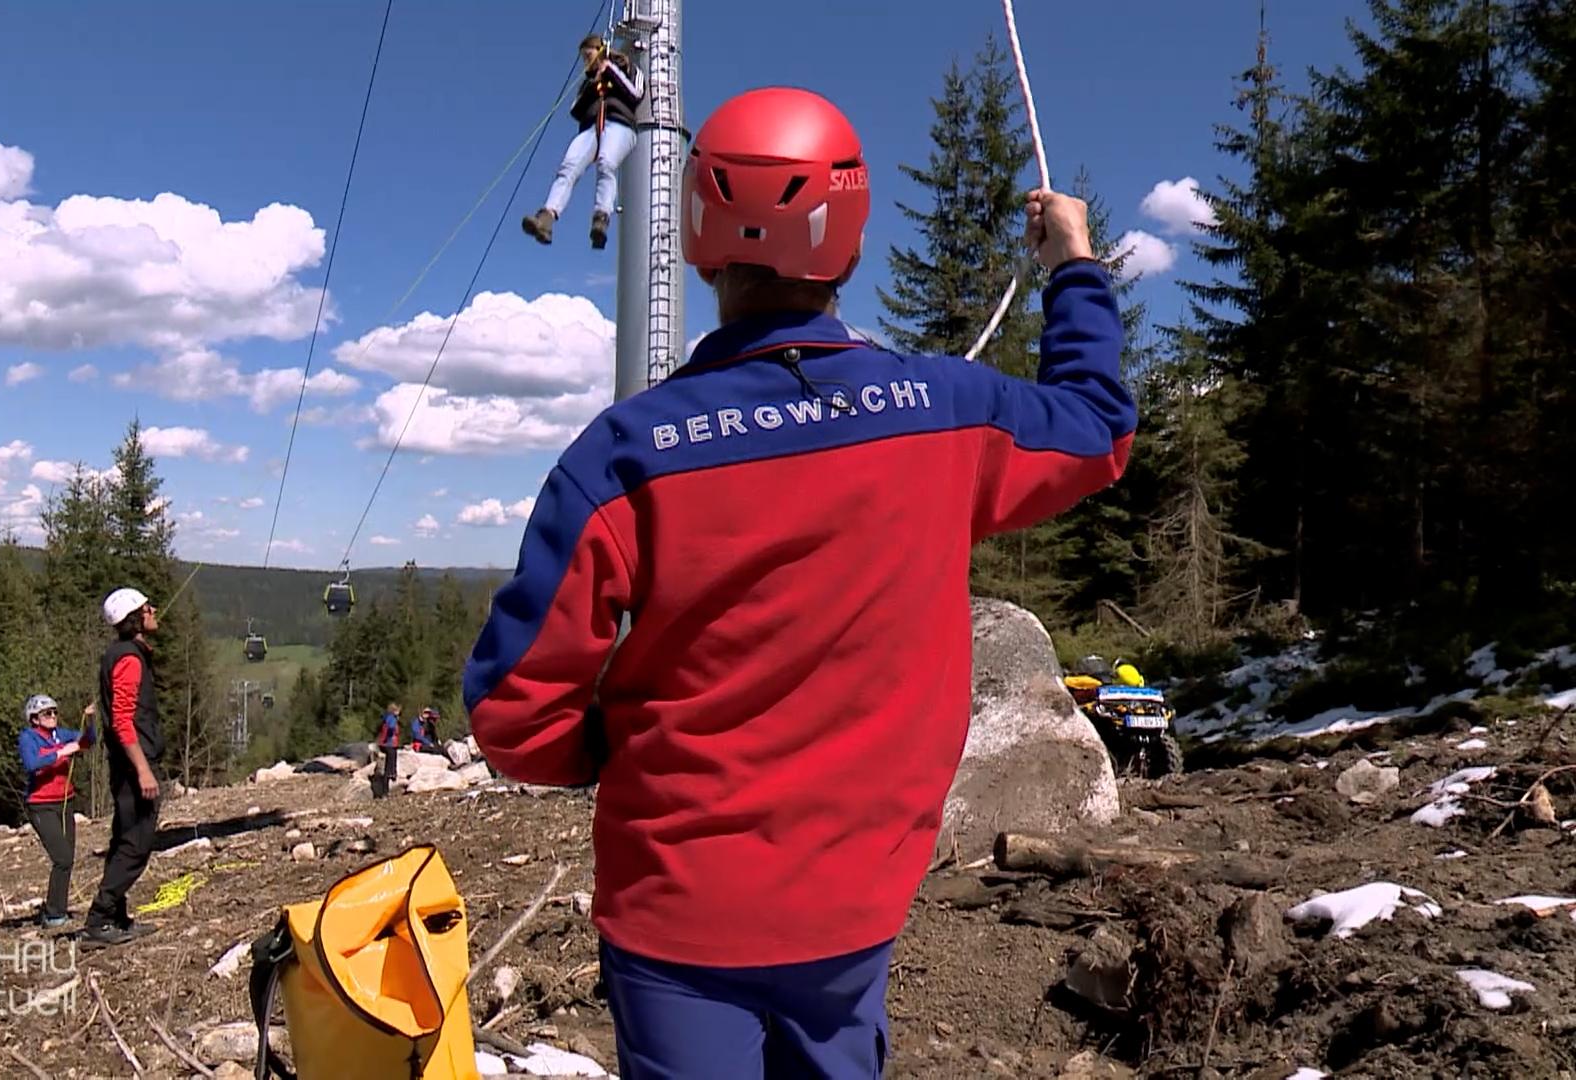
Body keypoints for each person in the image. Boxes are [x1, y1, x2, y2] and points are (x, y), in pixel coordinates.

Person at [462, 86, 1135, 1079]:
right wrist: (1071, 264)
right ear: (850, 242)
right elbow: (1095, 426)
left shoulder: (622, 455)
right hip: (856, 900)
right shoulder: (942, 412)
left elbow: (515, 711)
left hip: (674, 908)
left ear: (699, 235)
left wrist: (603, 745)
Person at [82, 587, 164, 948]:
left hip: (127, 763)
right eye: (148, 607)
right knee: (137, 843)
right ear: (136, 617)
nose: (154, 610)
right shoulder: (129, 659)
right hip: (133, 766)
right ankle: (98, 920)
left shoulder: (126, 654)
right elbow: (122, 719)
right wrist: (143, 770)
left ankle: (116, 917)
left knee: (123, 839)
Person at [522, 34, 643, 250]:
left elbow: (636, 93)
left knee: (606, 163)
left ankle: (601, 218)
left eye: (589, 54)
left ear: (600, 49)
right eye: (584, 57)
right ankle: (546, 218)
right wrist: (592, 84)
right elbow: (575, 110)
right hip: (590, 127)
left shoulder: (626, 67)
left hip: (620, 124)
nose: (586, 60)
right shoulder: (588, 81)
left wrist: (611, 71)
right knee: (568, 167)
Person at [16, 694, 96, 929]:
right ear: (34, 719)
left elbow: (87, 741)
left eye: (54, 712)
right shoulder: (28, 738)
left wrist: (90, 722)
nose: (52, 717)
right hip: (40, 804)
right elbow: (31, 764)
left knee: (67, 858)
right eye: (46, 714)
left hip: (64, 802)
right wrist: (62, 752)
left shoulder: (60, 734)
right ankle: (52, 914)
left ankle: (57, 909)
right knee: (61, 857)